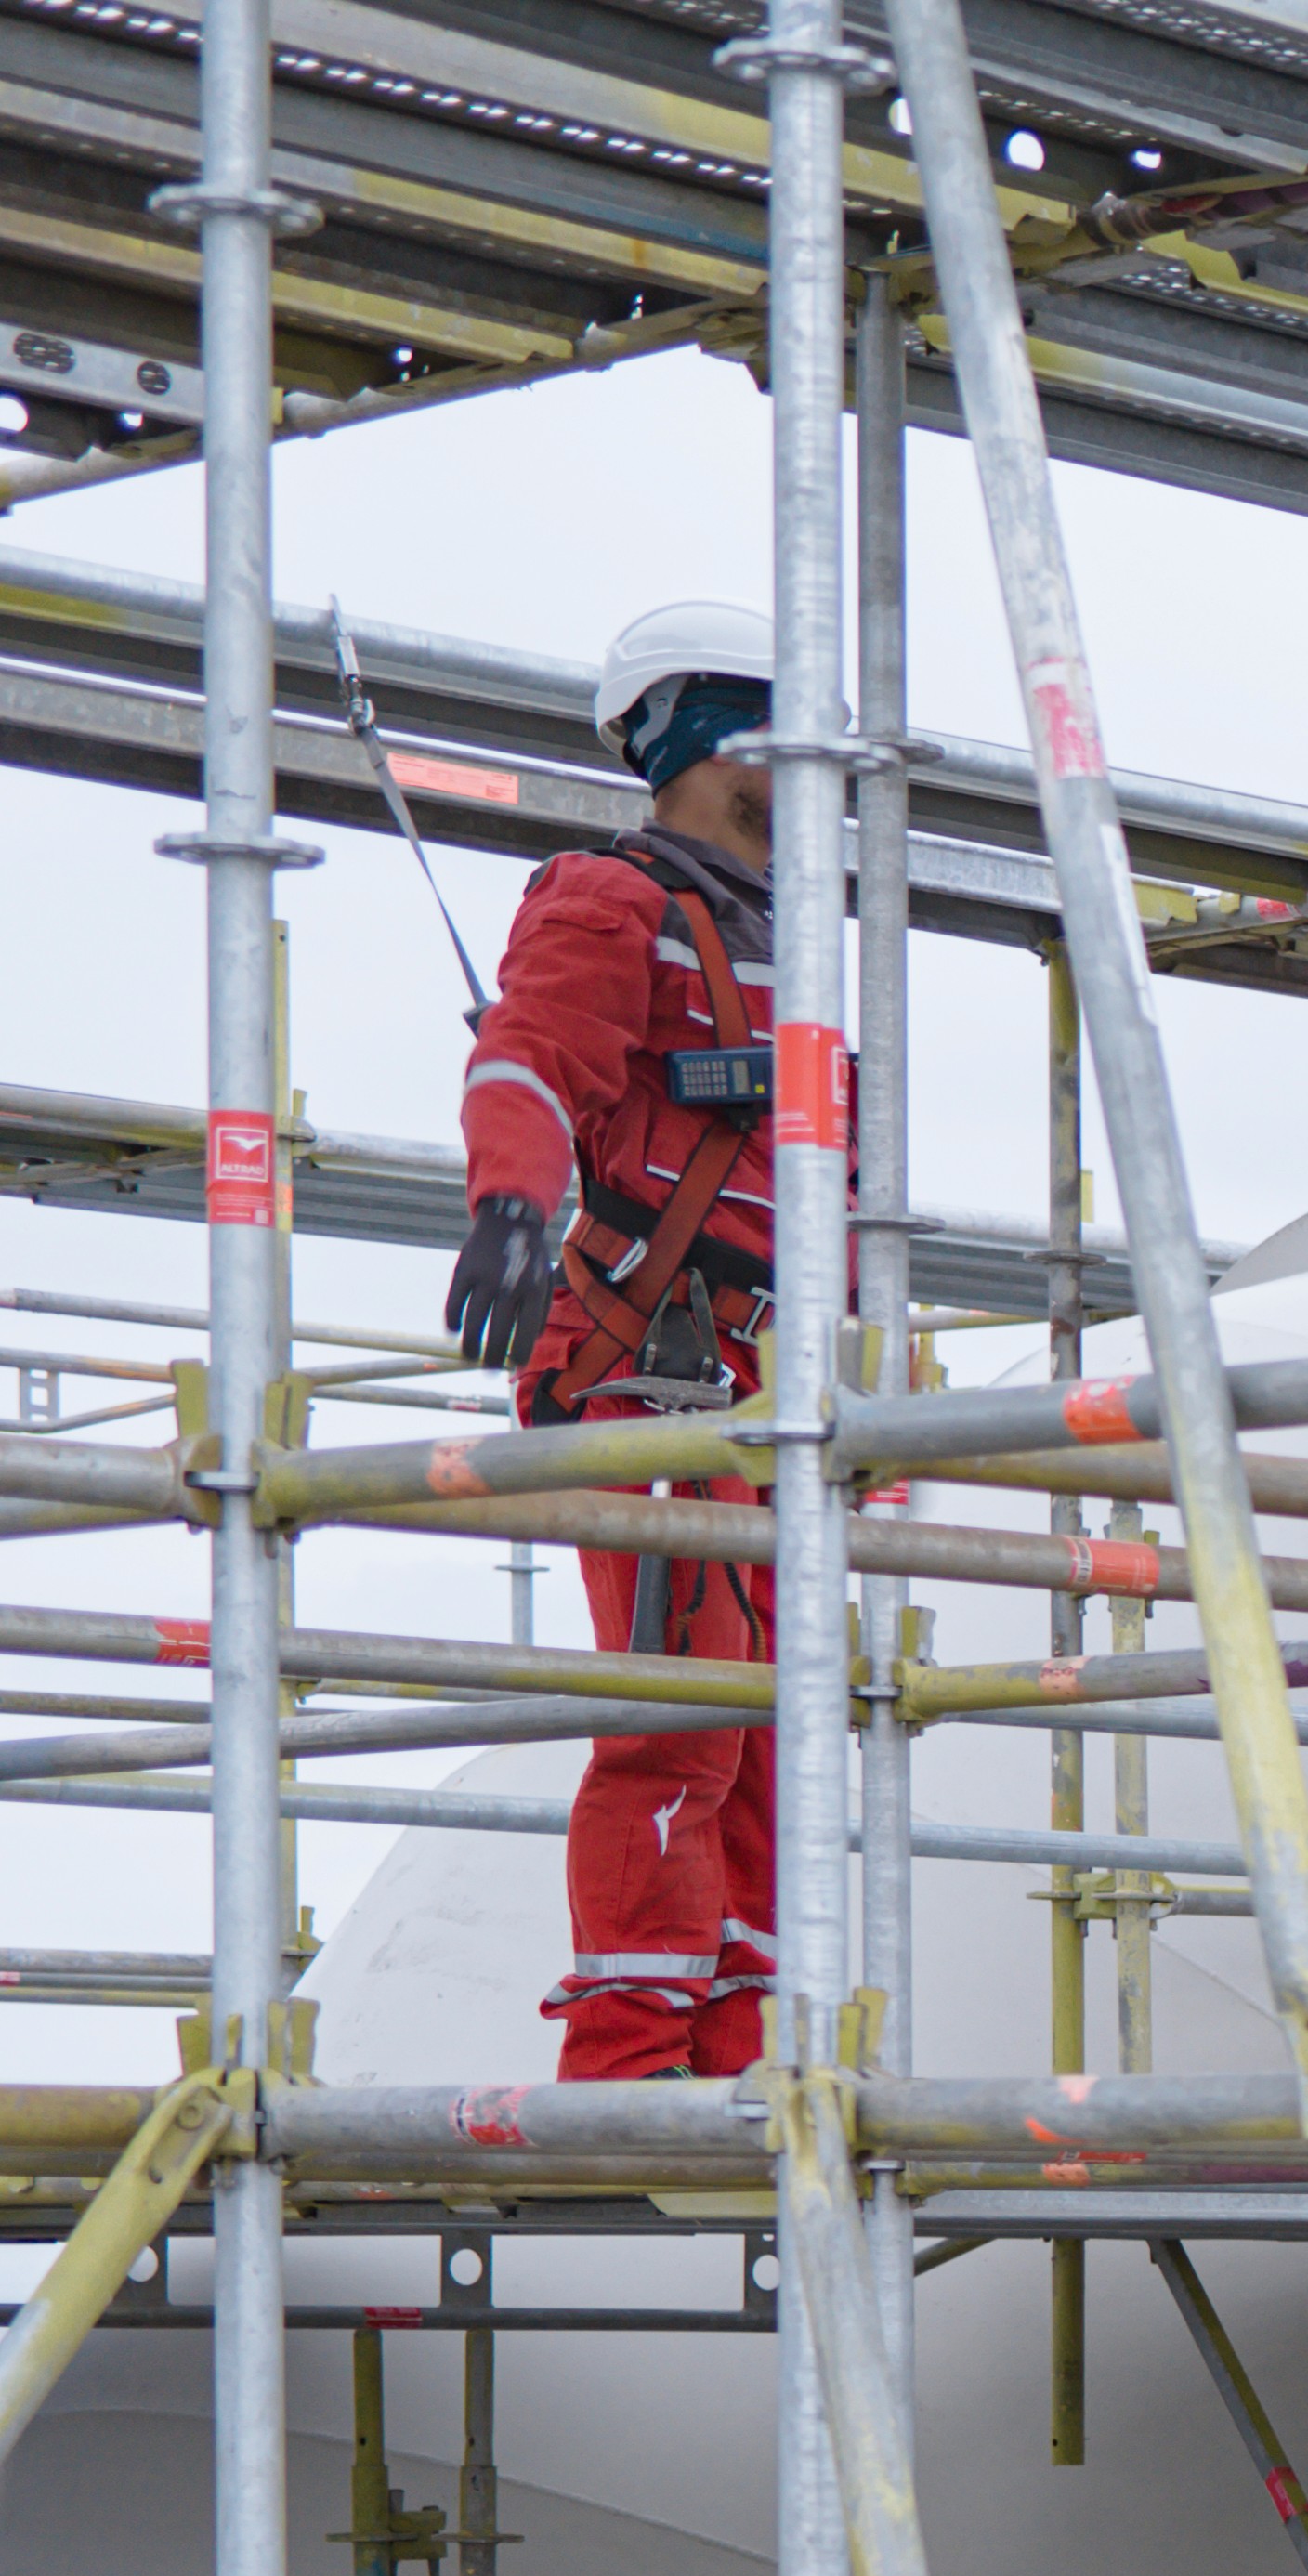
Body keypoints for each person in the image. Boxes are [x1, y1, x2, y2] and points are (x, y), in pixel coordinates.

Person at [441, 601, 804, 2077]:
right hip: (643, 1372)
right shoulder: (615, 898)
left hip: (744, 1386)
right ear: (716, 734)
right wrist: (513, 1210)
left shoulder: (776, 928)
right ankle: (629, 2060)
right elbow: (530, 1055)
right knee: (679, 1724)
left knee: (768, 1740)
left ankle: (735, 2046)